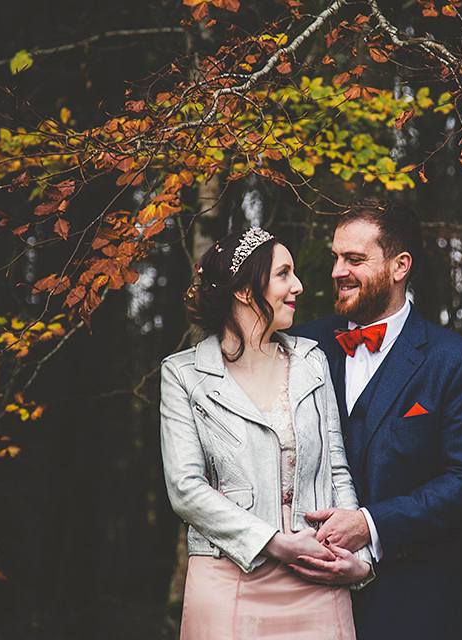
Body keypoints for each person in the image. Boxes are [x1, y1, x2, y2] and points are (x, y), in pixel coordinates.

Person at [290, 197, 462, 640]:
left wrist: (370, 523)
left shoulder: (455, 361)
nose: (336, 271)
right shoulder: (301, 346)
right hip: (299, 595)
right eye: (335, 258)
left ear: (400, 266)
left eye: (354, 259)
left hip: (410, 601)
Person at [159, 227, 373, 640]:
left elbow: (336, 469)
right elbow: (185, 489)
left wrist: (358, 561)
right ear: (244, 290)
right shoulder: (182, 374)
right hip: (228, 577)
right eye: (283, 274)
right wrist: (275, 542)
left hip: (318, 573)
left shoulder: (312, 360)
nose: (298, 285)